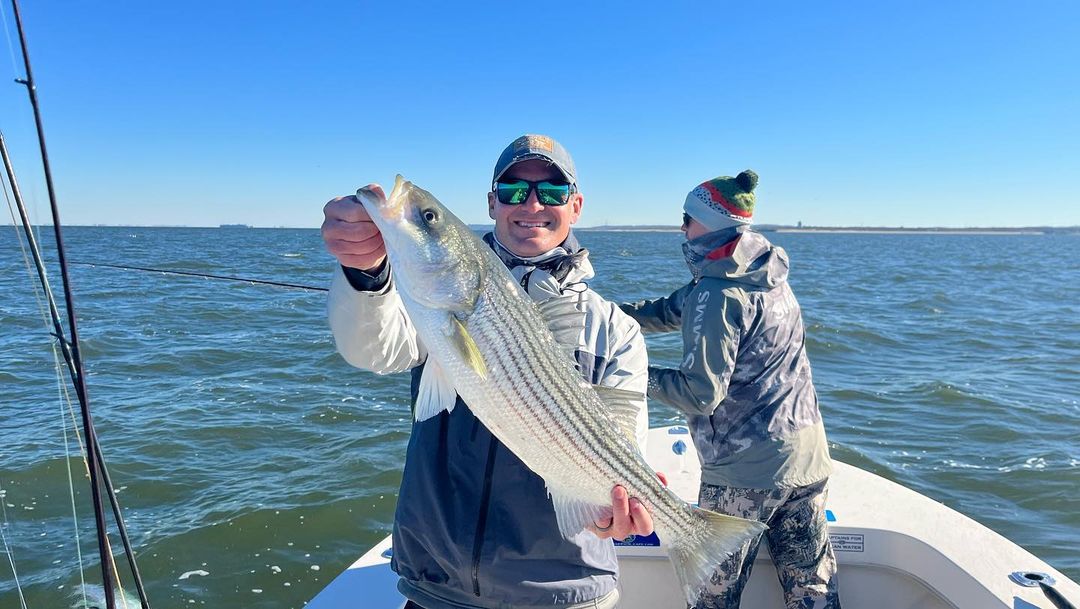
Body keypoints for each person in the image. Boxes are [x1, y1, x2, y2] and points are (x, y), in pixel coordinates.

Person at [321, 134, 652, 609]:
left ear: (575, 206)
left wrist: (613, 510)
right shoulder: (430, 298)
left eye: (552, 191)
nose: (532, 204)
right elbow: (373, 350)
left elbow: (623, 446)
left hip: (566, 593)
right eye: (514, 190)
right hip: (437, 584)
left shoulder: (616, 330)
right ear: (492, 203)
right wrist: (366, 273)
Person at [620, 170, 840, 609]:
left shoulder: (716, 291)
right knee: (812, 591)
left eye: (686, 219)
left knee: (712, 598)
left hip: (744, 475)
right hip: (808, 457)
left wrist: (630, 373)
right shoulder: (764, 272)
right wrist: (602, 315)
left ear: (706, 224)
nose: (681, 228)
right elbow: (670, 309)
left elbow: (699, 395)